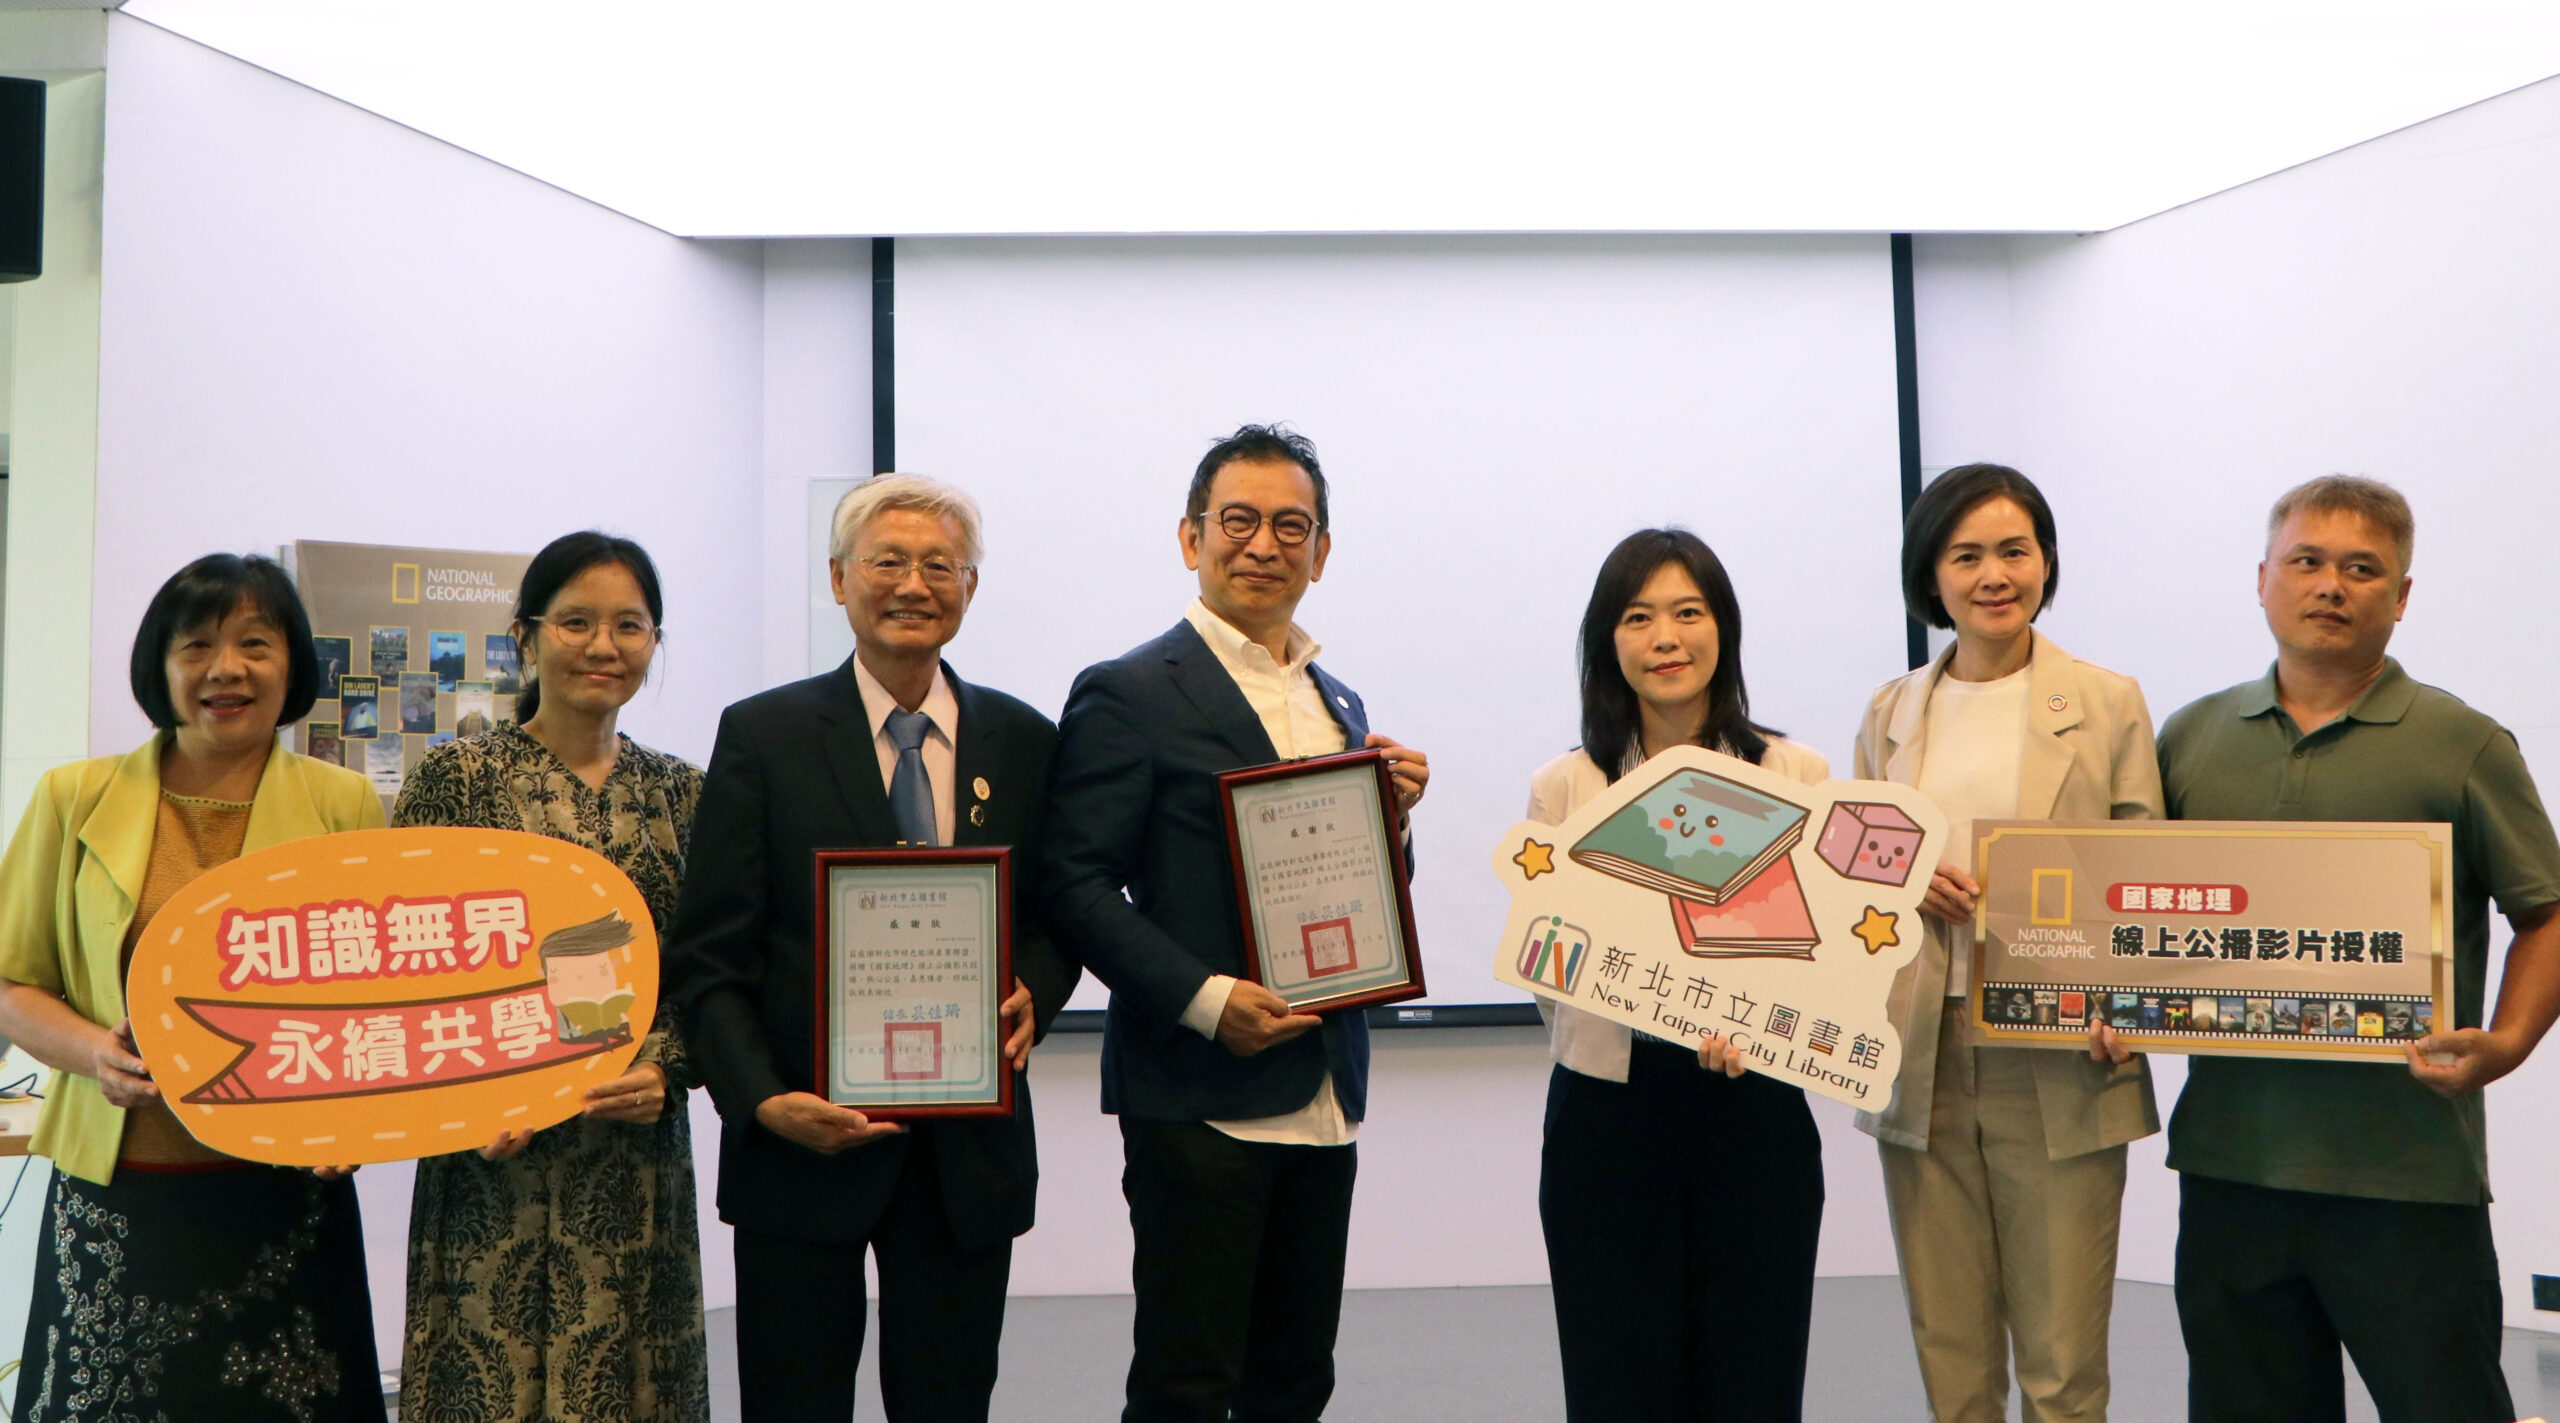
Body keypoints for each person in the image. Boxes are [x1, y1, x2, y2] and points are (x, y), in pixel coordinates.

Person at [664, 475, 1074, 1423]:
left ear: (970, 586)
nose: (913, 584)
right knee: (793, 1402)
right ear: (840, 578)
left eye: (940, 565)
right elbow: (709, 954)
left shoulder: (1024, 739)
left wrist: (1038, 989)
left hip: (965, 1155)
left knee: (948, 1402)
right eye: (888, 560)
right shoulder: (763, 734)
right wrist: (762, 1100)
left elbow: (1059, 915)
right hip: (802, 1144)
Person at [1043, 424, 1430, 1423]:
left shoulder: (1337, 700)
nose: (1264, 544)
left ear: (1321, 551)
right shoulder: (1128, 690)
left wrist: (1391, 822)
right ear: (1192, 537)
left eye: (1290, 526)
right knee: (1186, 1385)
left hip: (1324, 1084)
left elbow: (1363, 888)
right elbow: (1075, 884)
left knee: (1295, 1382)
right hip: (1197, 1093)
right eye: (1239, 520)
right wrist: (1209, 1001)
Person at [2158, 475, 2560, 1422]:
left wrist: (2505, 1045)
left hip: (2407, 1174)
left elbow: (2546, 913)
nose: (2330, 585)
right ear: (2263, 578)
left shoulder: (2462, 742)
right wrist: (2104, 1008)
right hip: (2229, 1167)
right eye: (2306, 561)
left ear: (2402, 595)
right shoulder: (2190, 737)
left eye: (2361, 568)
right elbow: (2128, 921)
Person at [0, 554, 388, 1422]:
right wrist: (92, 1051)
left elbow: (374, 1003)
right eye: (198, 645)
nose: (226, 668)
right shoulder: (74, 797)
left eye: (255, 643)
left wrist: (358, 1118)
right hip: (119, 1190)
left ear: (292, 664)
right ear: (161, 664)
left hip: (287, 1195)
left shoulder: (345, 804)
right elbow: (12, 979)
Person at [1848, 464, 2161, 1423]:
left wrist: (2133, 1005)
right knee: (1952, 1357)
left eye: (2015, 551)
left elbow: (2146, 872)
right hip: (1922, 1055)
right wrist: (1905, 879)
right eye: (1966, 555)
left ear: (2046, 562)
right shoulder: (1890, 711)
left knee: (2063, 1364)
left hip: (2060, 1050)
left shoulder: (2107, 701)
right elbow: (1852, 875)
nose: (1995, 575)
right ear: (1930, 576)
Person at [392, 532, 709, 1421]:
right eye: (576, 622)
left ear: (654, 641)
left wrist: (667, 1064)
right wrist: (467, 1102)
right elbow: (408, 972)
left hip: (633, 1165)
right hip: (490, 1167)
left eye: (629, 625)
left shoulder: (685, 794)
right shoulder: (457, 778)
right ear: (527, 637)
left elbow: (713, 972)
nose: (603, 645)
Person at [1522, 527, 1827, 1420]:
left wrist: (1759, 1023)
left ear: (1722, 628)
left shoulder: (1794, 771)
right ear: (1607, 641)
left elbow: (1823, 951)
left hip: (1753, 1107)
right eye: (1639, 617)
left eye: (1689, 613)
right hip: (1607, 1115)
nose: (1666, 638)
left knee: (1753, 1376)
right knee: (1616, 1379)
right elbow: (1546, 961)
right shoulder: (1566, 785)